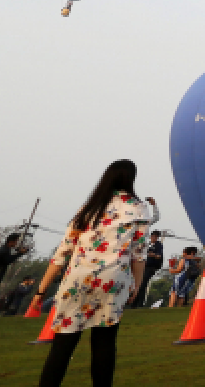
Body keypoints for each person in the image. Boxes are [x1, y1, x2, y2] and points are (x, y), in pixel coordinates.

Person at [36, 160, 155, 387]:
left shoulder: (89, 208)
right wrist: (137, 285)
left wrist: (41, 290)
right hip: (113, 280)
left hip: (77, 279)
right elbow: (138, 254)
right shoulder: (138, 208)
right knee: (104, 343)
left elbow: (62, 252)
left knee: (63, 345)